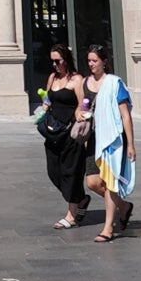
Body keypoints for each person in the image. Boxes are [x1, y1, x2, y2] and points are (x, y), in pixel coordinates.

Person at [79, 43, 137, 243]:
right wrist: (80, 114)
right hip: (94, 139)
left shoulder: (114, 83)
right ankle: (123, 206)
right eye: (89, 61)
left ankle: (108, 228)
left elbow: (125, 115)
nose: (91, 64)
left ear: (104, 62)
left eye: (95, 61)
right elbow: (81, 107)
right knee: (93, 182)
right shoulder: (86, 82)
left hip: (113, 139)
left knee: (111, 183)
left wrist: (130, 144)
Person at [36, 45, 92, 228]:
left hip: (70, 133)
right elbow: (48, 100)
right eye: (52, 61)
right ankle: (81, 199)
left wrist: (79, 115)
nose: (55, 65)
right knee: (54, 172)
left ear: (66, 60)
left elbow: (83, 103)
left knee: (71, 173)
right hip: (53, 132)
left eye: (58, 61)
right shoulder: (53, 78)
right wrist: (44, 105)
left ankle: (71, 215)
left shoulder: (77, 80)